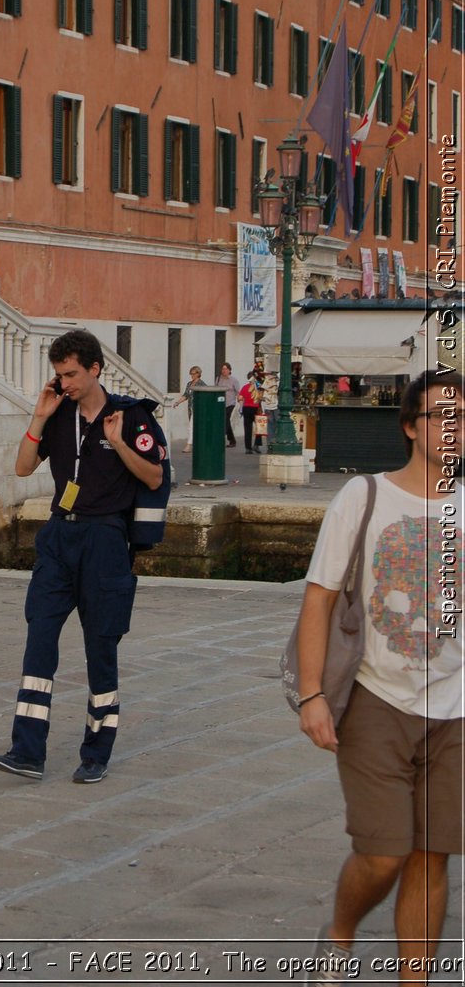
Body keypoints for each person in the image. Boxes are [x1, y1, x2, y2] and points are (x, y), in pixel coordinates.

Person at [296, 369, 463, 986]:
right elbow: (318, 599)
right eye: (442, 417)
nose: (455, 429)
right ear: (409, 427)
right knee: (385, 852)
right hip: (375, 697)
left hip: (456, 706)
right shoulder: (364, 497)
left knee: (431, 853)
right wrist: (312, 694)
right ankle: (339, 936)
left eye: (464, 417)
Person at [0, 328, 164, 785]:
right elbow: (23, 467)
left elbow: (152, 477)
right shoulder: (59, 412)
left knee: (100, 647)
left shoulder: (132, 416)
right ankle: (27, 751)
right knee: (39, 638)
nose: (64, 382)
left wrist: (120, 443)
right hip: (58, 536)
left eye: (70, 374)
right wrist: (39, 416)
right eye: (59, 374)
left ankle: (96, 752)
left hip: (105, 540)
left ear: (94, 369)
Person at [172, 365, 206, 452]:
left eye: (193, 373)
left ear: (198, 374)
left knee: (191, 426)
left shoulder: (202, 384)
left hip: (199, 409)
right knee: (196, 427)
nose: (192, 375)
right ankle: (201, 445)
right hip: (191, 409)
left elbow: (205, 396)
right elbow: (186, 395)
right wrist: (177, 402)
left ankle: (188, 445)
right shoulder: (189, 384)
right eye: (191, 374)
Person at [215, 362, 240, 447]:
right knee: (226, 421)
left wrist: (240, 402)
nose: (224, 371)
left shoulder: (234, 380)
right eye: (223, 369)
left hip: (230, 403)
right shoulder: (218, 379)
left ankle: (221, 436)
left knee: (225, 419)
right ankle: (232, 440)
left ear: (229, 370)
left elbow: (238, 392)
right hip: (221, 403)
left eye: (225, 369)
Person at [238, 372, 263, 454]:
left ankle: (248, 448)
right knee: (259, 427)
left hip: (246, 408)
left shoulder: (245, 387)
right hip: (256, 408)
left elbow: (240, 398)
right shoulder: (258, 386)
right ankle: (256, 445)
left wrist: (240, 409)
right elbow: (262, 396)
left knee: (248, 429)